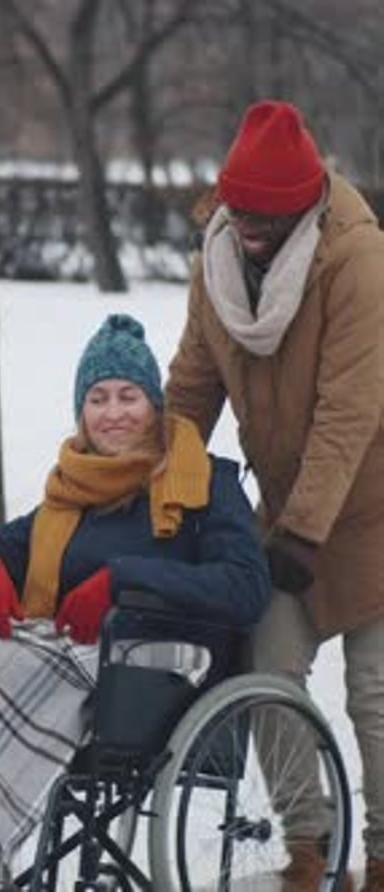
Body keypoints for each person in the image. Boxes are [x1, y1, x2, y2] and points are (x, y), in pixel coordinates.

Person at [0, 313, 270, 891]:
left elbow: (245, 586)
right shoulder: (73, 491)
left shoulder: (203, 484)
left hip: (156, 660)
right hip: (70, 643)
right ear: (81, 412)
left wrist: (121, 578)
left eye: (128, 395)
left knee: (5, 659)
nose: (113, 413)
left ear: (154, 406)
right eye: (97, 398)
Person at [165, 97, 384, 892]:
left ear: (302, 206)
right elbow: (190, 391)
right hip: (292, 511)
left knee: (375, 694)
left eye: (268, 212)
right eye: (239, 207)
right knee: (267, 664)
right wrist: (160, 491)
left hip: (370, 508)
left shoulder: (356, 261)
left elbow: (350, 409)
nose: (249, 223)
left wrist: (303, 531)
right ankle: (308, 848)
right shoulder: (217, 266)